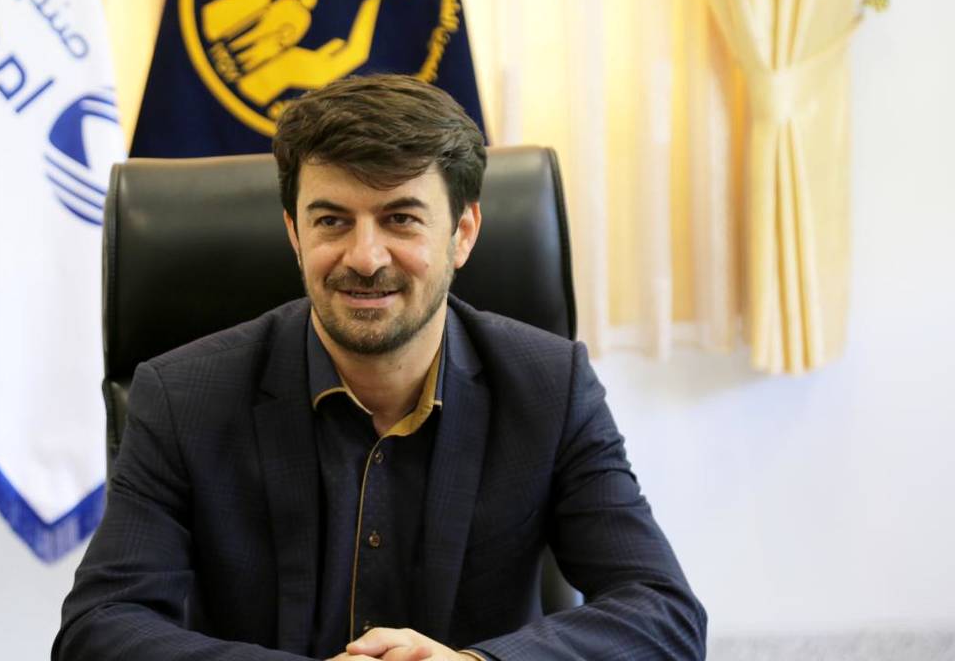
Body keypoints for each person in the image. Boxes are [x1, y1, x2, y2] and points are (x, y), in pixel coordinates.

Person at [53, 74, 707, 660]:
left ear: (463, 233)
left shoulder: (549, 386)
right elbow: (98, 630)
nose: (365, 257)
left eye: (401, 219)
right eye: (332, 221)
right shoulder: (184, 396)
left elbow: (664, 617)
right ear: (295, 234)